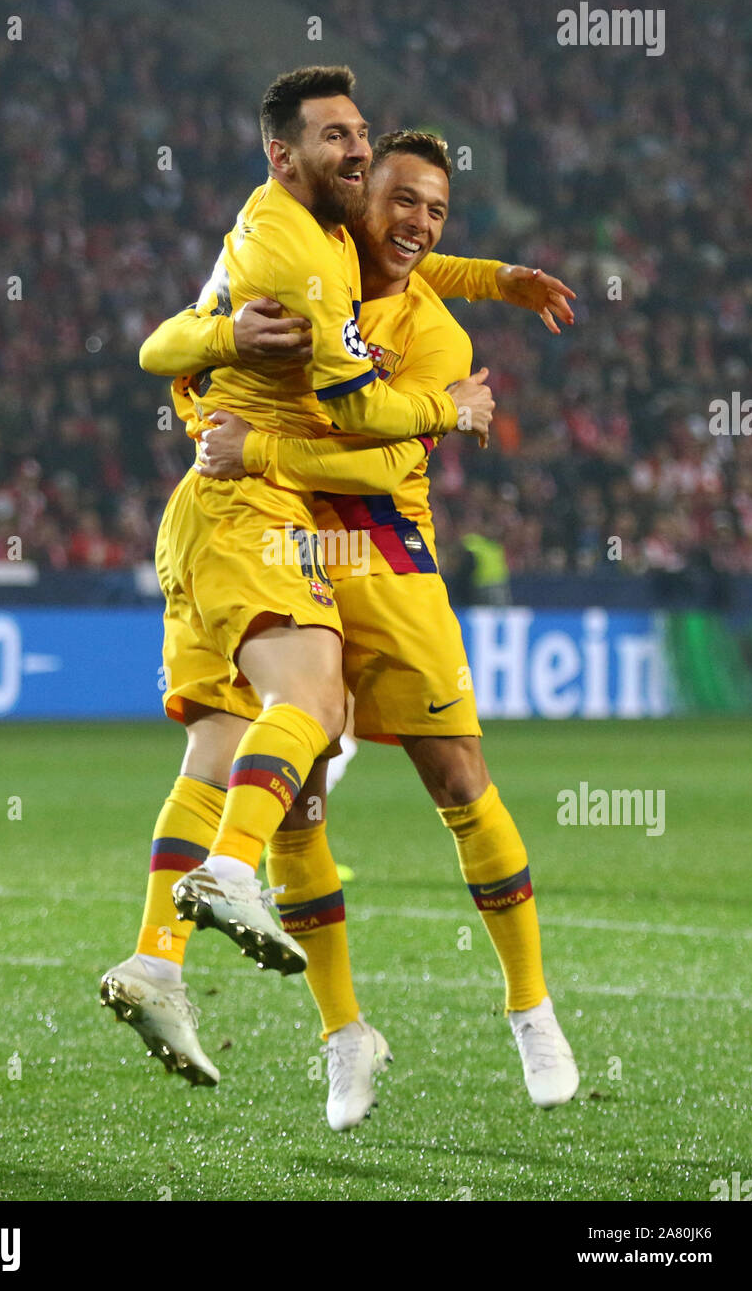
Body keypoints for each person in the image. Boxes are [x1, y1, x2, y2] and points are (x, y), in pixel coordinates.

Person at [102, 120, 579, 1125]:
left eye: (434, 212)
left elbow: (380, 463)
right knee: (297, 792)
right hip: (275, 544)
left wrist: (269, 454)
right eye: (398, 201)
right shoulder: (290, 269)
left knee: (457, 777)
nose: (413, 224)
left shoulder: (438, 336)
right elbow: (165, 339)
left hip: (382, 553)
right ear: (355, 206)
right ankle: (339, 1032)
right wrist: (220, 335)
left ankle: (529, 1006)